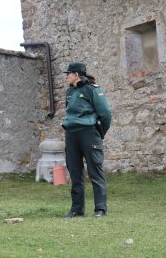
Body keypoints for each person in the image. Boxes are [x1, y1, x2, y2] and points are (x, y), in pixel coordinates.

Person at [61, 62, 112, 218]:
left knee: (95, 170)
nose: (67, 76)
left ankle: (100, 209)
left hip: (88, 133)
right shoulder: (69, 92)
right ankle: (77, 209)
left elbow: (105, 114)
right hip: (71, 134)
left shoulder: (92, 90)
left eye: (68, 73)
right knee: (75, 172)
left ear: (76, 74)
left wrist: (99, 133)